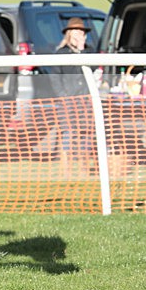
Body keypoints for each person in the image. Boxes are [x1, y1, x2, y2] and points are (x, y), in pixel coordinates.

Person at [49, 17, 94, 177]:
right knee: (68, 134)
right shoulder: (61, 53)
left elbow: (95, 69)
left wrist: (82, 50)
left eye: (82, 32)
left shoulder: (89, 52)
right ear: (69, 34)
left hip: (86, 100)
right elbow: (55, 77)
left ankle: (83, 170)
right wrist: (63, 95)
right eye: (76, 32)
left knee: (86, 135)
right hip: (68, 101)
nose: (79, 35)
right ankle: (66, 172)